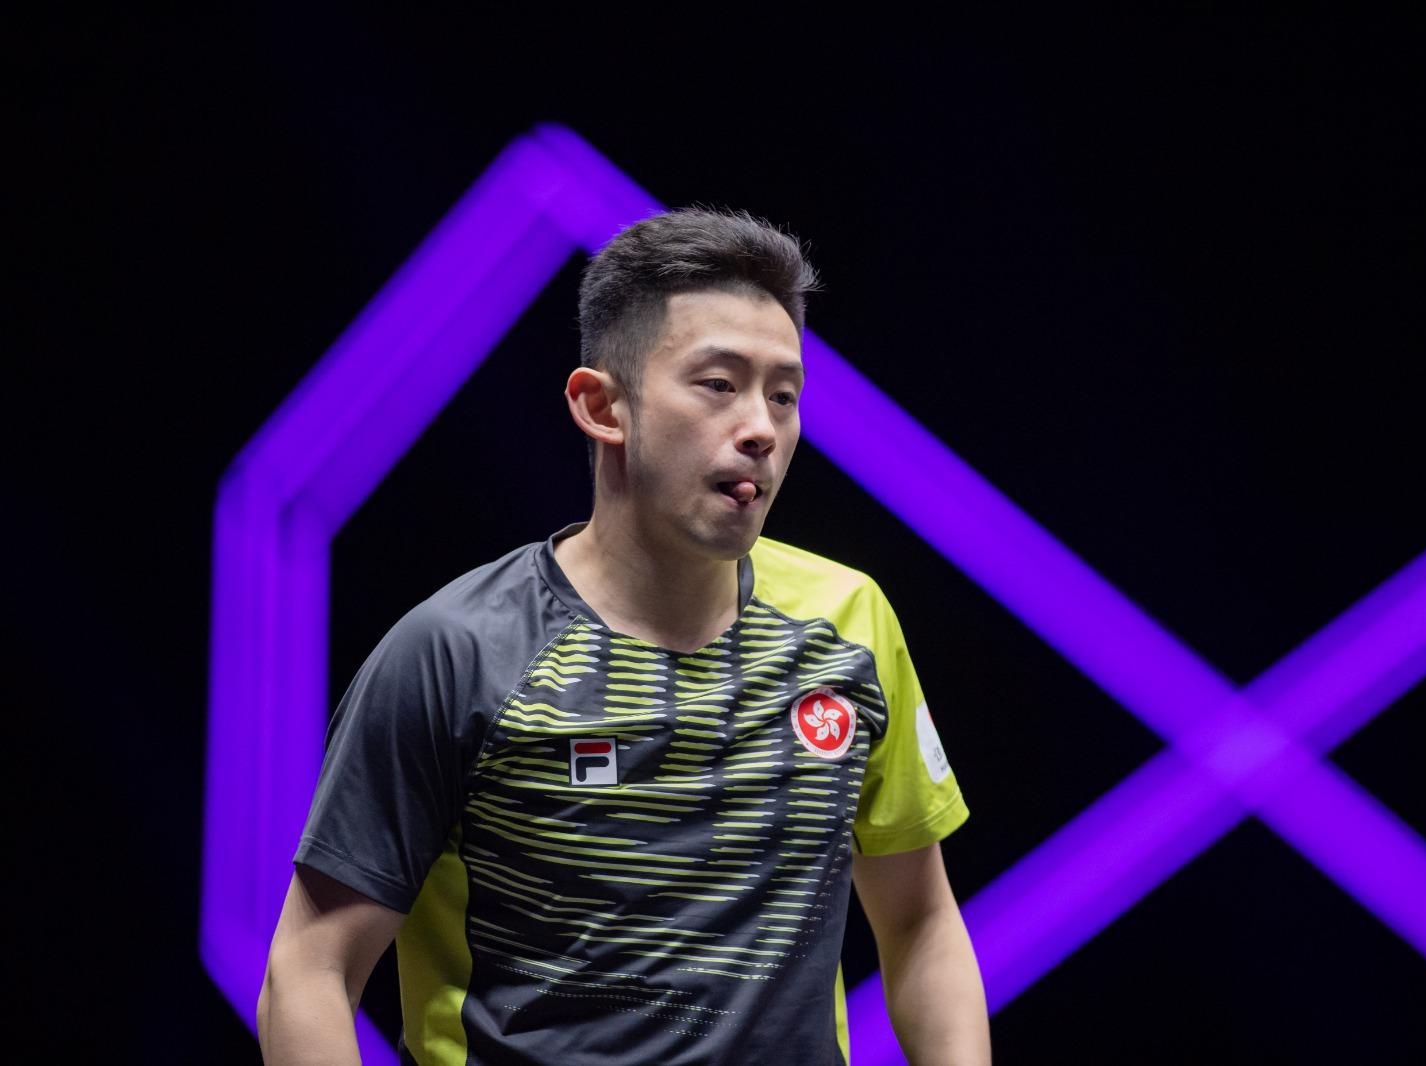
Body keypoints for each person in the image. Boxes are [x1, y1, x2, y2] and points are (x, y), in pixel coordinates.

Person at [257, 205, 990, 1065]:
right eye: (718, 384)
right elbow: (308, 972)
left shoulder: (848, 621)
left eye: (783, 395)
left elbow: (920, 922)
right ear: (602, 406)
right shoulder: (458, 652)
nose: (762, 427)